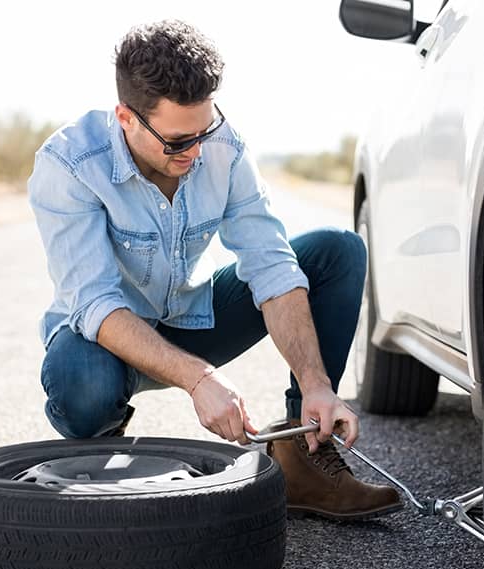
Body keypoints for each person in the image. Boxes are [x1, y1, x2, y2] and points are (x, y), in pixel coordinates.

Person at [28, 19, 401, 520]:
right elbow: (95, 304)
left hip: (192, 316)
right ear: (126, 118)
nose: (197, 151)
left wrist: (316, 383)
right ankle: (99, 457)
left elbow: (270, 264)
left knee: (338, 250)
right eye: (180, 141)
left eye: (204, 131)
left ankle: (303, 456)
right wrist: (200, 380)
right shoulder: (69, 164)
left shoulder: (223, 148)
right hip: (105, 344)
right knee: (83, 384)